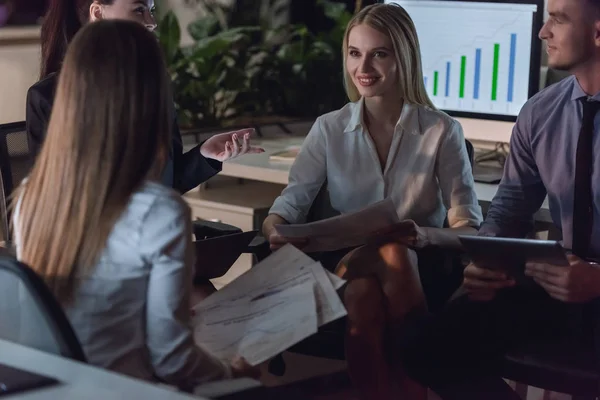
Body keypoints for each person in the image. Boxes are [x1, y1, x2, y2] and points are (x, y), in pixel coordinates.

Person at [11, 20, 259, 389]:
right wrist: (231, 372)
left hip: (55, 389)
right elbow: (173, 360)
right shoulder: (158, 212)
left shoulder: (31, 196)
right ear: (150, 98)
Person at [262, 4, 483, 399]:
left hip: (423, 267)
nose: (363, 66)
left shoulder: (441, 130)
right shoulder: (328, 128)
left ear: (403, 58)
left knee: (374, 284)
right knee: (388, 260)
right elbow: (288, 205)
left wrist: (424, 236)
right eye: (354, 53)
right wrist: (274, 230)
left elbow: (467, 228)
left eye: (379, 53)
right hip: (344, 260)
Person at [399, 0, 600, 399]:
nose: (543, 33)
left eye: (557, 20)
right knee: (424, 346)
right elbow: (509, 206)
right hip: (558, 288)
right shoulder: (541, 112)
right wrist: (484, 260)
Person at [27, 0, 263, 195]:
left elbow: (167, 184)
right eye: (139, 10)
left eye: (151, 11)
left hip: (151, 236)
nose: (152, 23)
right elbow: (55, 201)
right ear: (98, 13)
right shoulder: (49, 97)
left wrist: (205, 155)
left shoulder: (155, 87)